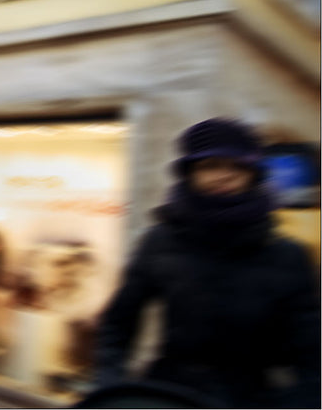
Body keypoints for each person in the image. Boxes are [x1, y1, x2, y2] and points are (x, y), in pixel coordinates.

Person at [91, 117, 321, 408]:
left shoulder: (286, 255)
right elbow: (118, 323)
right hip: (169, 396)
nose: (223, 176)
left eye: (236, 167)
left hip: (248, 398)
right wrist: (111, 388)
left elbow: (311, 353)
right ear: (190, 173)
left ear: (253, 175)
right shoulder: (161, 241)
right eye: (210, 166)